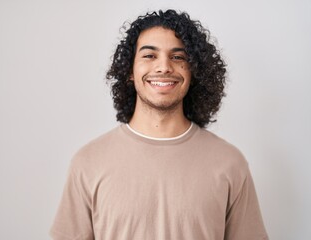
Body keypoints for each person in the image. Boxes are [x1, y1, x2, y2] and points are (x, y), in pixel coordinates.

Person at [50, 9, 269, 240]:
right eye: (149, 56)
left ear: (193, 71)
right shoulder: (88, 162)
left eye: (178, 57)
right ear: (130, 71)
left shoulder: (230, 163)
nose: (164, 67)